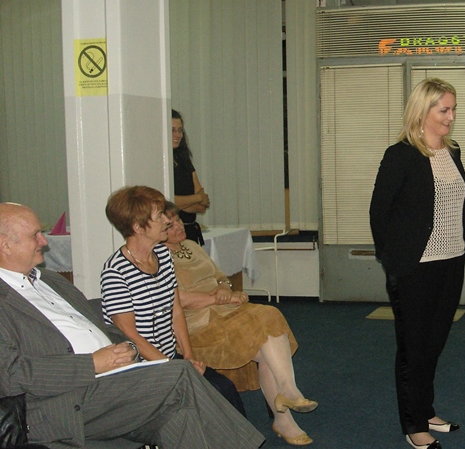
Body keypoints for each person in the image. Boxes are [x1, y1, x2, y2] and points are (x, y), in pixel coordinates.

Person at [0, 202, 264, 448]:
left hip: (116, 380)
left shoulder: (51, 280)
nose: (44, 241)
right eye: (35, 235)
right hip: (65, 401)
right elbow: (10, 376)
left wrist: (132, 352)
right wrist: (93, 364)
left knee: (179, 416)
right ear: (5, 245)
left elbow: (106, 328)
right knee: (180, 375)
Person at [162, 200, 316, 446]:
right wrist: (217, 297)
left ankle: (285, 407)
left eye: (178, 220)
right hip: (198, 324)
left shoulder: (191, 245)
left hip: (224, 310)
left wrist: (226, 288)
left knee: (269, 330)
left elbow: (219, 276)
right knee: (267, 326)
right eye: (170, 225)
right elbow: (175, 298)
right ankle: (286, 402)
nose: (179, 226)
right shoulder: (159, 258)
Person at [369, 78, 465, 449]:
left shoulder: (452, 151)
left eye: (453, 109)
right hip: (415, 267)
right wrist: (394, 261)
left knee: (434, 343)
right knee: (413, 348)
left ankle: (425, 410)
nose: (451, 116)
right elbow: (379, 212)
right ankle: (413, 425)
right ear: (422, 111)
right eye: (444, 110)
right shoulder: (401, 154)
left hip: (451, 262)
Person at [99, 185, 246, 417]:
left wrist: (188, 356)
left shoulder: (164, 255)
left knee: (224, 388)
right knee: (208, 396)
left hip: (170, 358)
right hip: (141, 367)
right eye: (159, 216)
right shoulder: (116, 272)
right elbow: (129, 334)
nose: (167, 221)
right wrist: (174, 367)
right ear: (138, 227)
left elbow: (176, 310)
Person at [172, 109, 209, 245]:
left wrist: (179, 203)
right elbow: (166, 202)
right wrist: (197, 198)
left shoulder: (184, 160)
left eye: (180, 130)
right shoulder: (160, 163)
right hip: (171, 235)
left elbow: (203, 205)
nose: (177, 135)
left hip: (190, 232)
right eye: (172, 130)